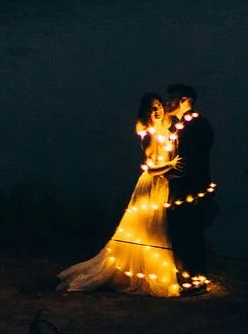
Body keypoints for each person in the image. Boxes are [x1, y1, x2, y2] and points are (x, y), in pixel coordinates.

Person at [57, 92, 185, 296]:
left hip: (163, 185)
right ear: (146, 112)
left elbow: (176, 111)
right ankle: (144, 273)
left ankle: (153, 269)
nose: (158, 110)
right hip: (151, 185)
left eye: (159, 105)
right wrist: (170, 165)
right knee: (146, 227)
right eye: (152, 108)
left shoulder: (165, 128)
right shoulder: (150, 135)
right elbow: (150, 169)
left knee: (157, 227)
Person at [164, 83, 217, 293]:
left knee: (189, 233)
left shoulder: (197, 125)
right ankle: (188, 278)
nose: (169, 102)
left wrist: (175, 177)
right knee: (181, 233)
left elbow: (192, 160)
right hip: (183, 188)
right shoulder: (180, 125)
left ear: (186, 100)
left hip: (190, 190)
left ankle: (196, 281)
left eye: (173, 97)